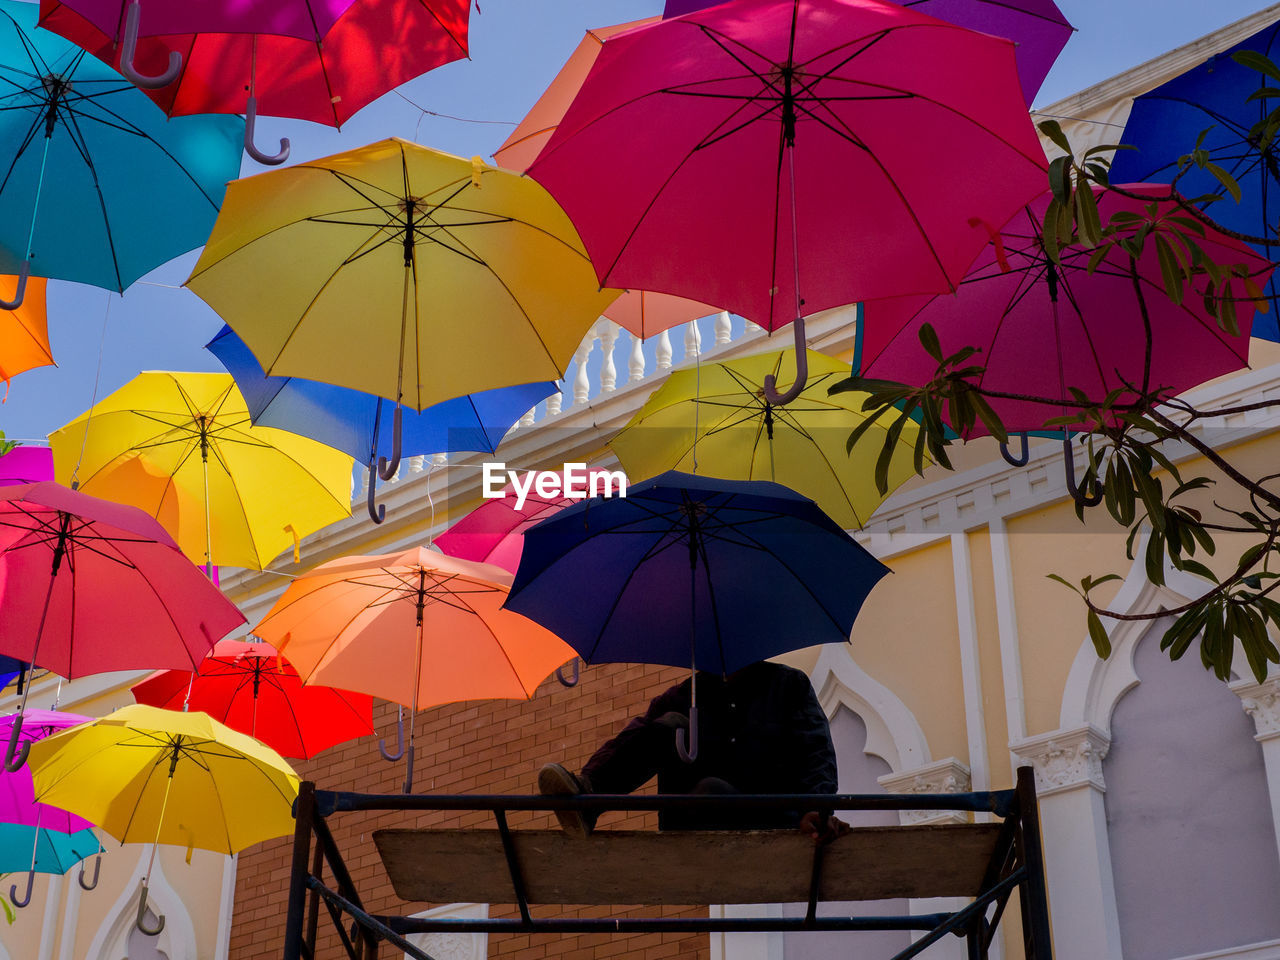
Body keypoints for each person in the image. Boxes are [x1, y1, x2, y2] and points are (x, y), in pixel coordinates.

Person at [538, 660, 849, 841]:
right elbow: (635, 739)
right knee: (670, 724)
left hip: (771, 818)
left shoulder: (787, 685)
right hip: (696, 816)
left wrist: (818, 810)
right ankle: (587, 799)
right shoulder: (683, 697)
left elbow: (816, 750)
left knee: (710, 788)